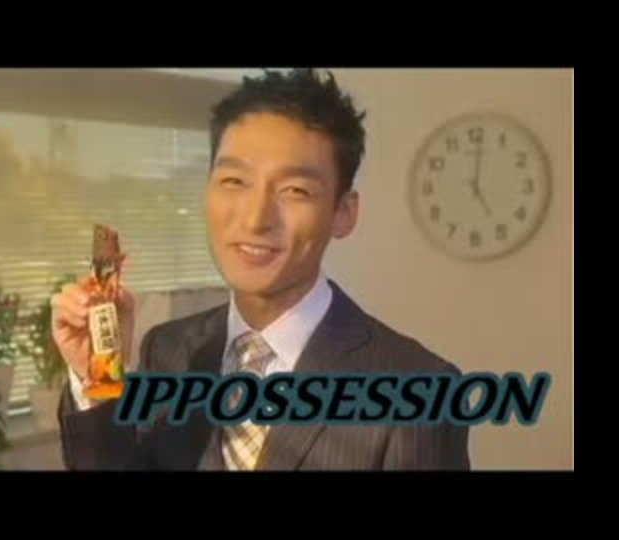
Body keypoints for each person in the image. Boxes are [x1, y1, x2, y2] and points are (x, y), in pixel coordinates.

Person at [51, 68, 471, 470]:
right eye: (234, 181)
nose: (255, 219)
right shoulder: (170, 349)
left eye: (295, 190)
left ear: (343, 212)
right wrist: (100, 372)